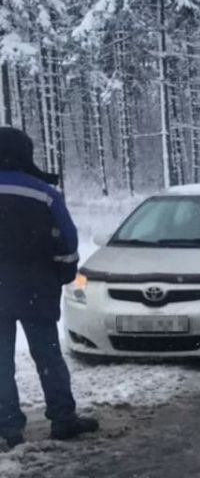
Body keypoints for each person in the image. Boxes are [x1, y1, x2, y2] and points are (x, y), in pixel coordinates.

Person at [0, 126, 98, 449]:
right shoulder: (44, 193)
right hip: (36, 287)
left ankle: (8, 428)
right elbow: (68, 241)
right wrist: (63, 270)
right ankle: (62, 418)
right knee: (47, 355)